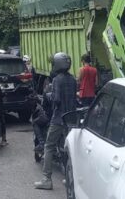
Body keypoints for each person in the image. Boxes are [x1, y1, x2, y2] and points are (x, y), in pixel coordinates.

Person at [34, 52, 77, 190]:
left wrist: (49, 95)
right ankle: (68, 178)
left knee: (49, 146)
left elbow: (56, 99)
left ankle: (46, 179)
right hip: (70, 119)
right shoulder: (72, 79)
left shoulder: (57, 79)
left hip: (58, 118)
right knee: (66, 149)